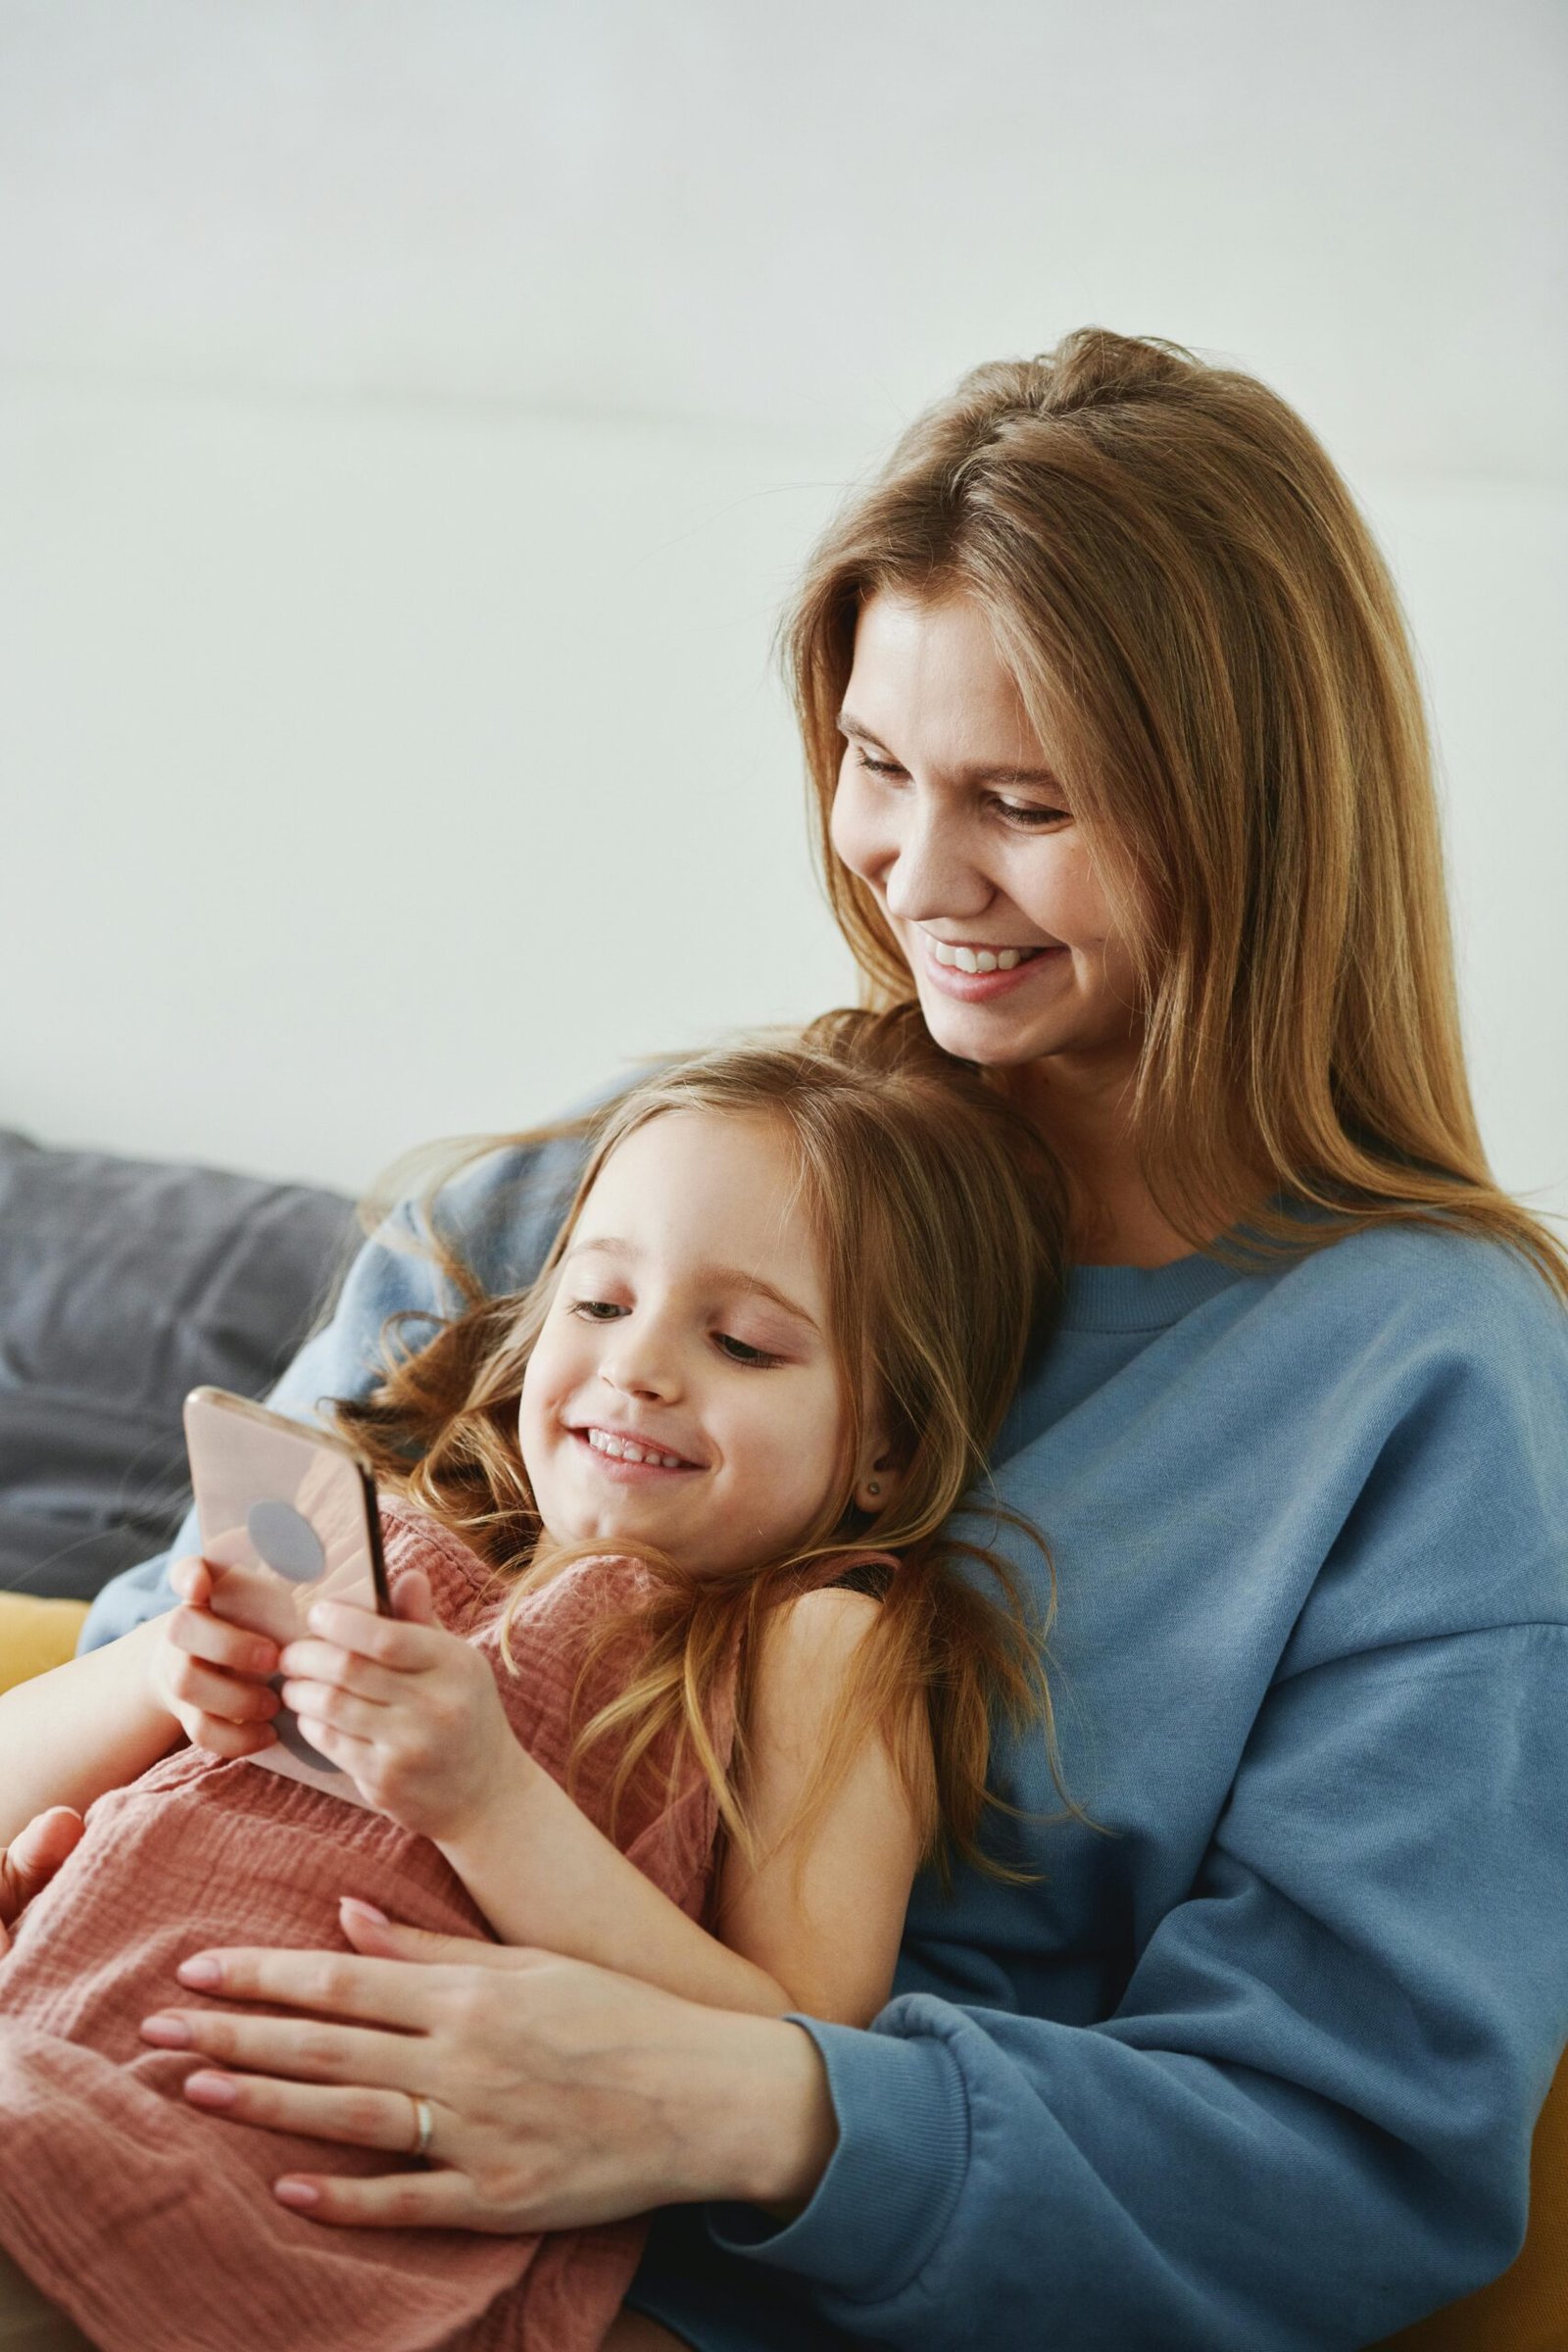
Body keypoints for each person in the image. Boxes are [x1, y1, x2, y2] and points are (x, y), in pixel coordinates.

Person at [18, 326, 1568, 2351]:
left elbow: (1351, 2158)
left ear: (1249, 818)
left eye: (1019, 802)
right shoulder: (600, 1202)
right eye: (872, 765)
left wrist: (749, 2109)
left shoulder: (1427, 1386)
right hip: (135, 2112)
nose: (919, 884)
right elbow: (175, 1664)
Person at [0, 1011, 1069, 2352]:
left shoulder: (811, 1644)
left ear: (890, 1457)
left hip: (263, 2166)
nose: (638, 1367)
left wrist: (488, 1801)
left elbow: (796, 2035)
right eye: (602, 1302)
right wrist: (169, 1670)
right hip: (49, 2030)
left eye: (742, 1343)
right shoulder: (386, 1531)